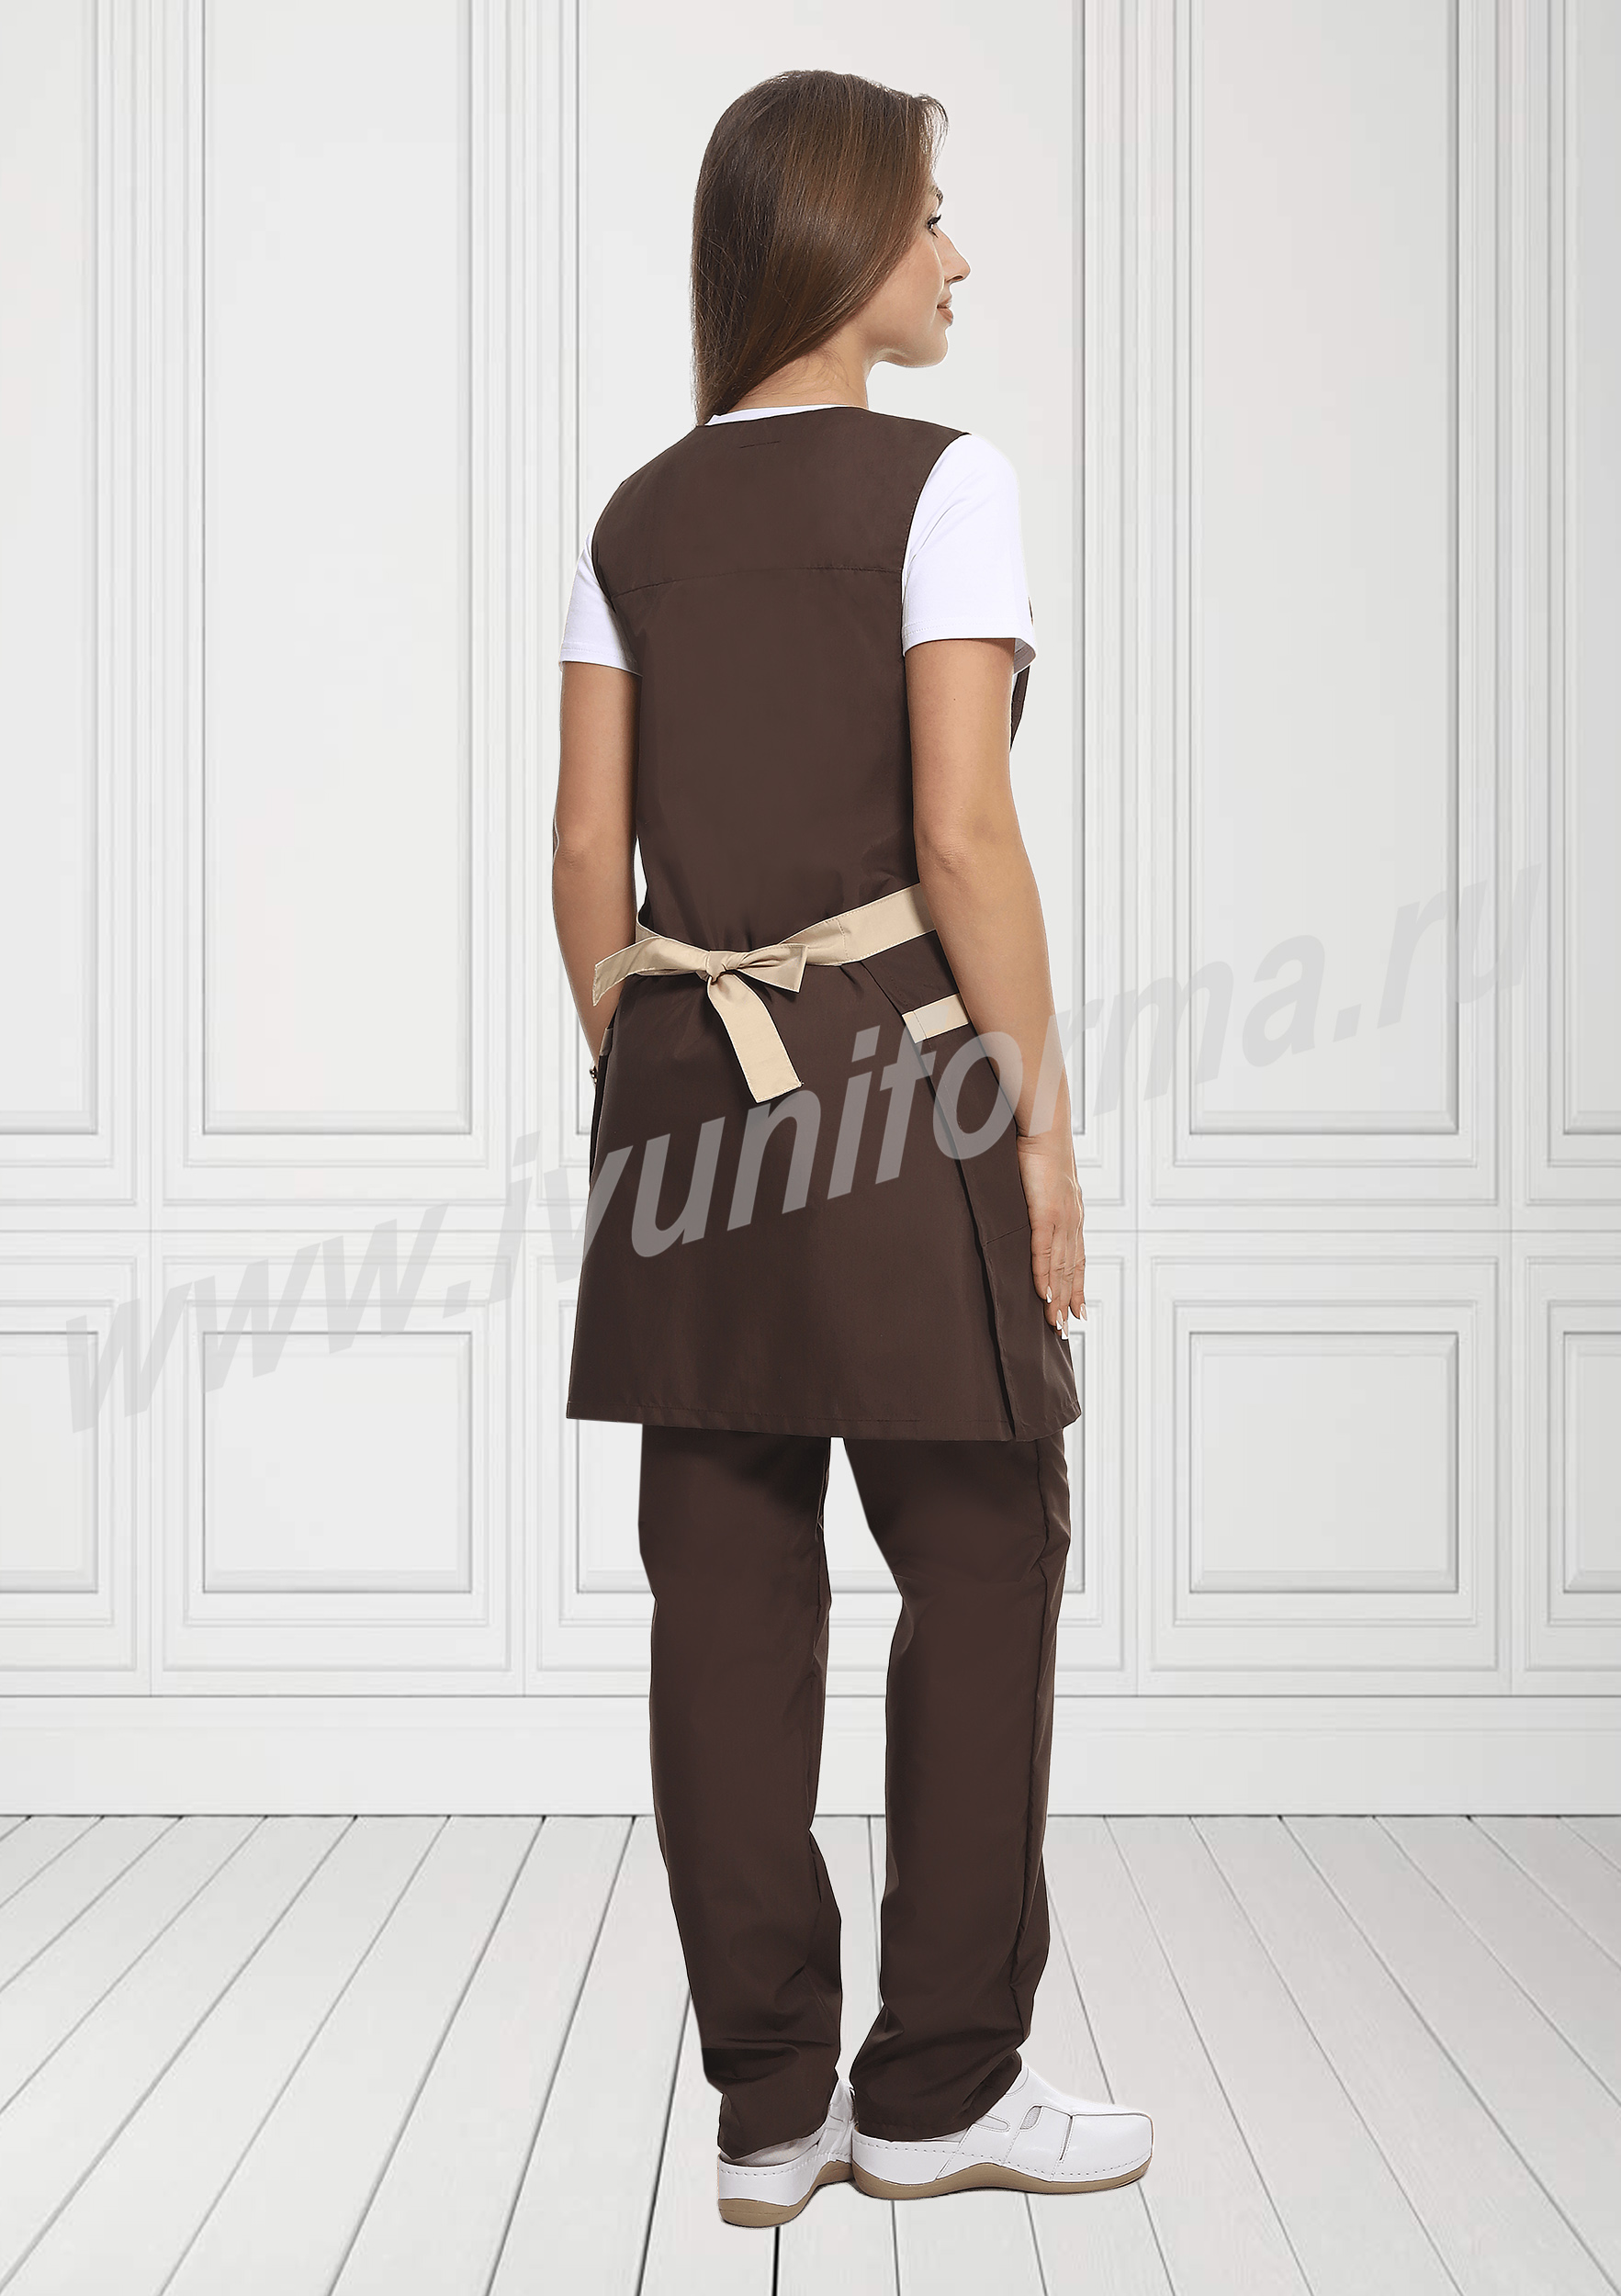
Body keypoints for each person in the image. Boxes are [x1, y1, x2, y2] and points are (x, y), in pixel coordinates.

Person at [552, 67, 1152, 2227]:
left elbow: (585, 859)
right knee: (981, 1545)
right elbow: (962, 834)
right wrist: (1041, 1128)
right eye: (927, 219)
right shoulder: (942, 480)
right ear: (834, 238)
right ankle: (937, 2085)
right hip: (904, 1077)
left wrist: (674, 1076)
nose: (954, 257)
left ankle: (763, 2105)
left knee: (720, 1581)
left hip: (679, 1083)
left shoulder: (632, 518)